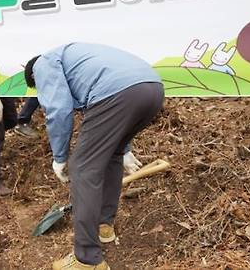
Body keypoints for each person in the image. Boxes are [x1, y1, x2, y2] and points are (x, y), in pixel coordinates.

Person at [25, 42, 163, 270]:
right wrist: (125, 147)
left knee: (82, 168)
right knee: (113, 155)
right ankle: (103, 226)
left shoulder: (43, 63)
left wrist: (60, 157)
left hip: (117, 94)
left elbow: (59, 110)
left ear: (33, 75)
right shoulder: (77, 60)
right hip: (152, 89)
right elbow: (111, 117)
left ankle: (87, 260)